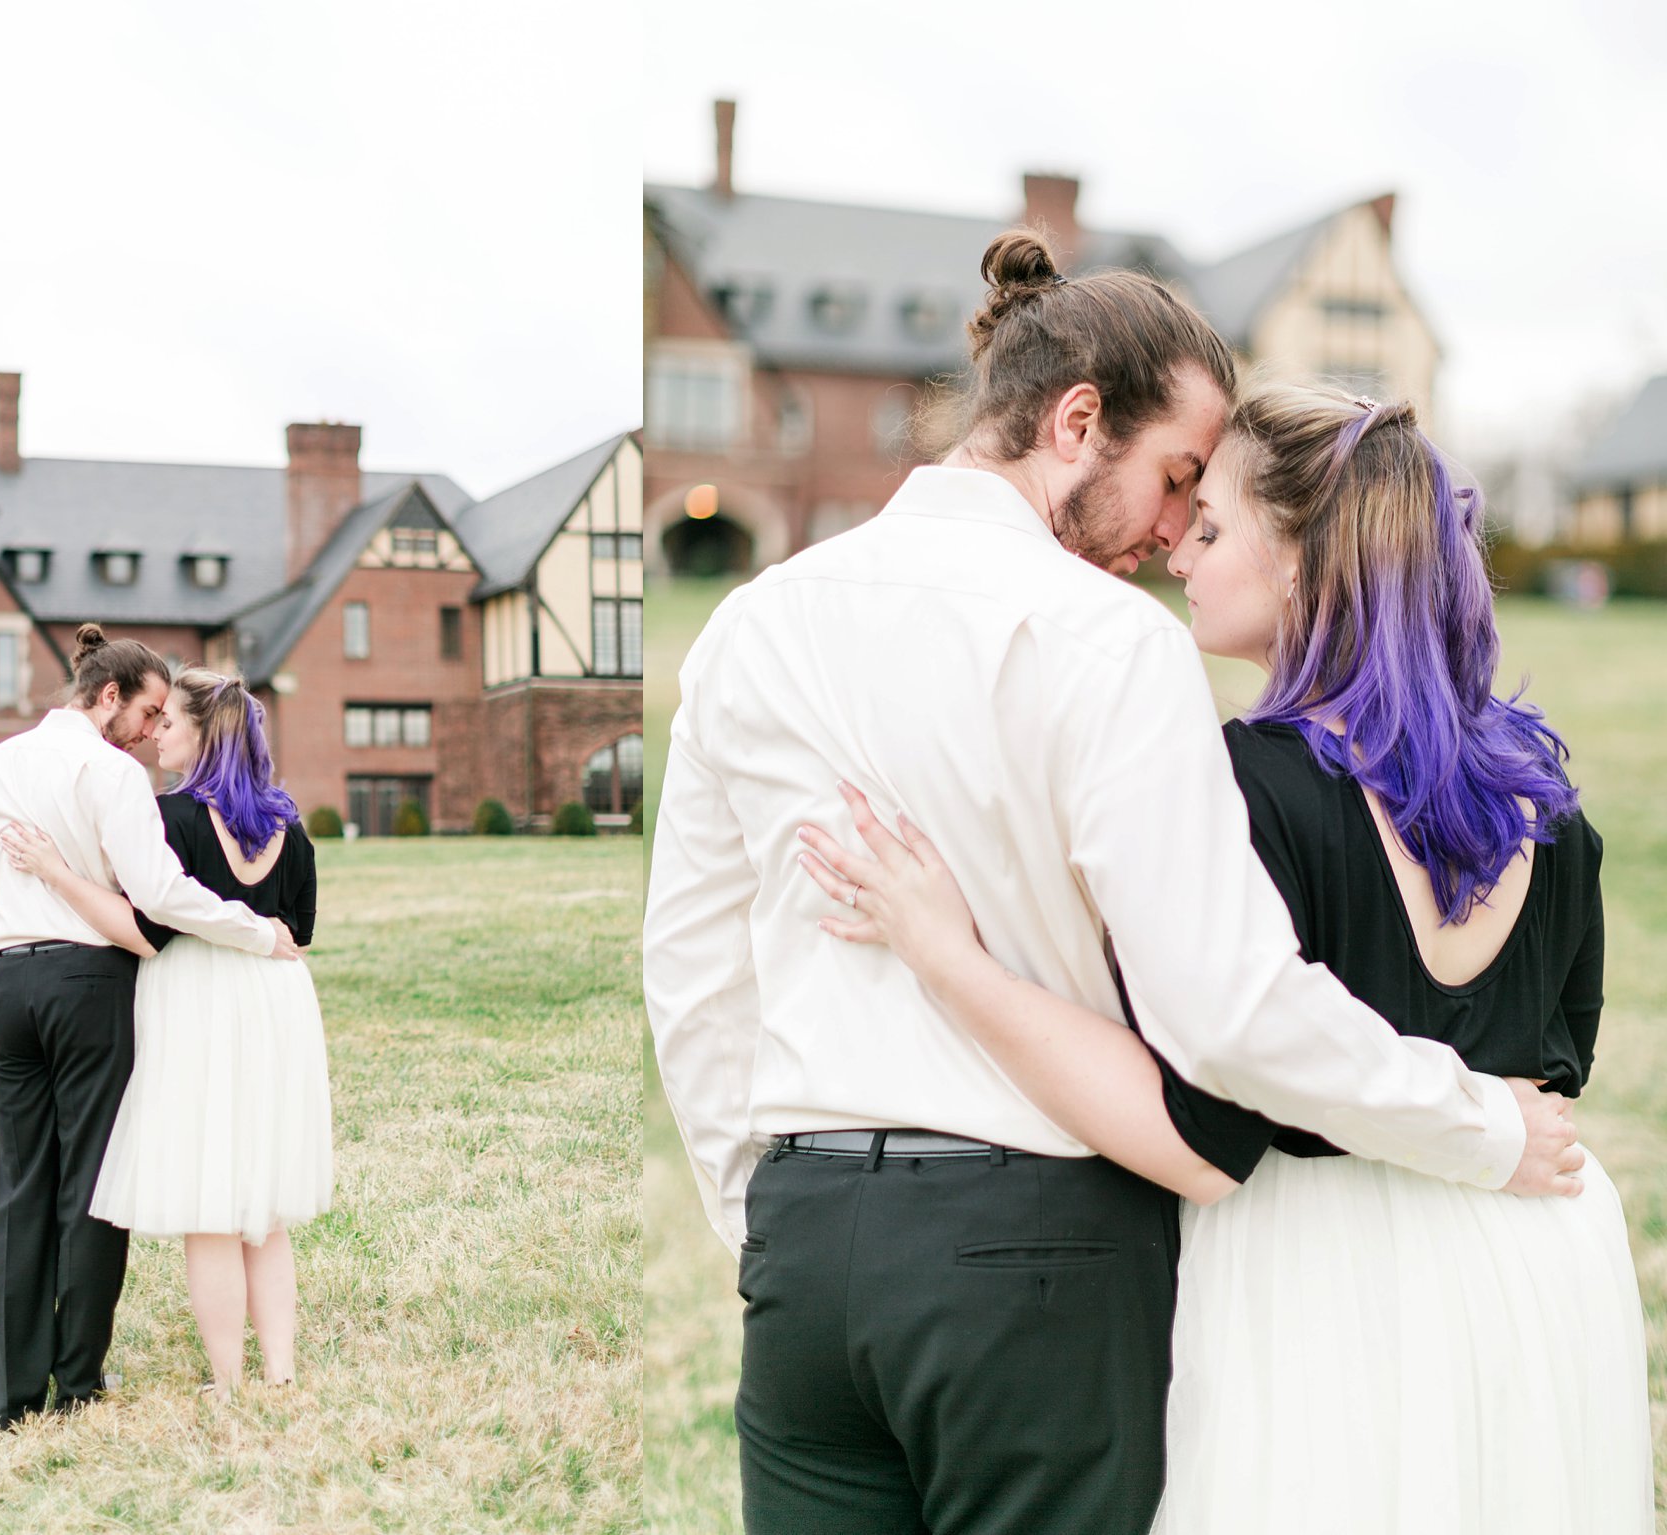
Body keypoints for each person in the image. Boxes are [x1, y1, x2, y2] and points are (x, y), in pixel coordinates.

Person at [641, 229, 1581, 1535]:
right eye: (1175, 476)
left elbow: (693, 976)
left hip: (804, 1256)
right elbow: (1230, 1011)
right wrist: (1473, 1117)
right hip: (1042, 1257)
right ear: (1079, 422)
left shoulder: (751, 623)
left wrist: (764, 1222)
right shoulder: (1108, 643)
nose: (1170, 528)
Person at [794, 381, 1651, 1534]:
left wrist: (947, 950)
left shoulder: (1243, 783)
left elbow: (1201, 1091)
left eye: (1210, 528)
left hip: (1324, 1278)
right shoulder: (1555, 813)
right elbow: (1557, 1065)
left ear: (1299, 558)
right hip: (1530, 1262)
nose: (1178, 557)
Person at [0, 625, 303, 1431]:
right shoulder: (110, 774)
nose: (149, 730)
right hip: (89, 980)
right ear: (107, 697)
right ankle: (75, 1381)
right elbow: (159, 896)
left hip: (6, 983)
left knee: (18, 1188)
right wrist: (254, 930)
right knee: (93, 1188)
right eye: (144, 711)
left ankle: (7, 1397)